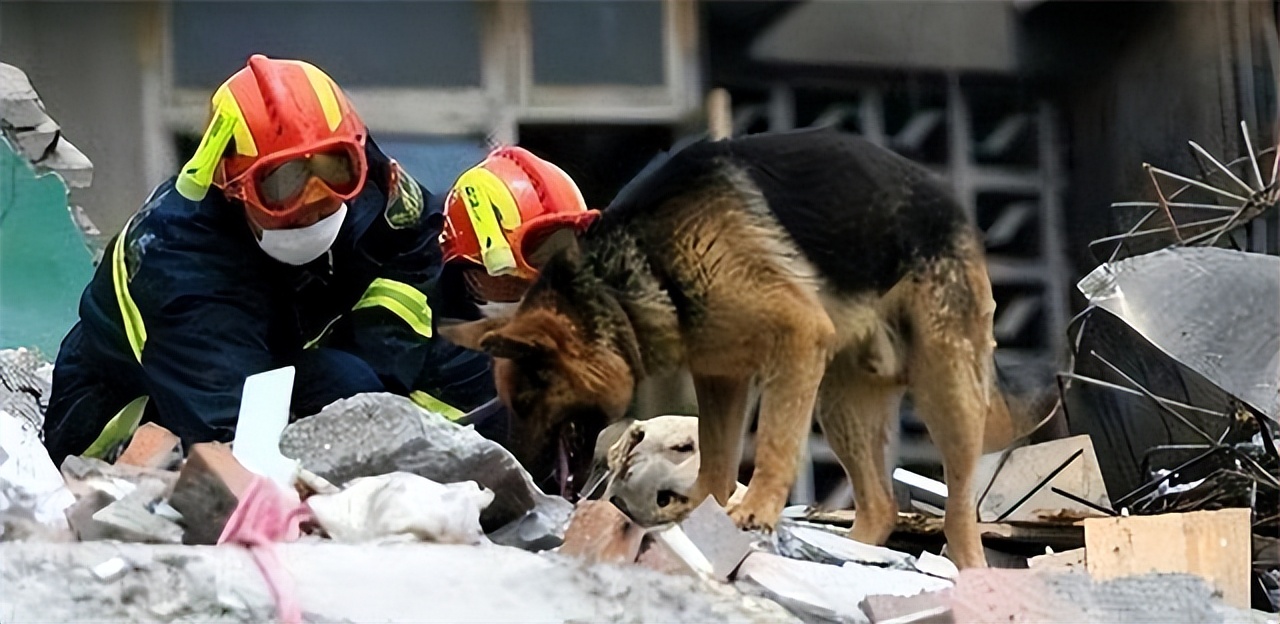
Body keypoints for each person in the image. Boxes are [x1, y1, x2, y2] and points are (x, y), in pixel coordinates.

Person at [43, 54, 597, 466]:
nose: (315, 198)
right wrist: (384, 418)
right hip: (133, 412)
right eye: (283, 181)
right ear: (232, 182)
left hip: (290, 349)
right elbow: (235, 433)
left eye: (333, 169)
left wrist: (389, 370)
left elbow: (414, 247)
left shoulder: (366, 175)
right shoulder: (179, 265)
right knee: (345, 387)